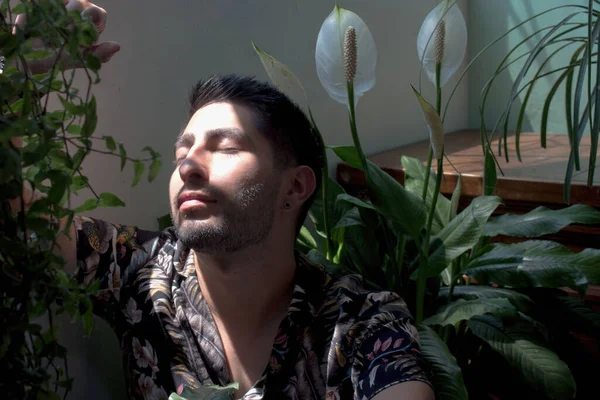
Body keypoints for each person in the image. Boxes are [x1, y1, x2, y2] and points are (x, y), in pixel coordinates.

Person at [11, 1, 435, 399]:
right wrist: (14, 77)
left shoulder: (360, 322)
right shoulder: (137, 269)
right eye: (182, 153)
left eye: (227, 147)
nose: (188, 166)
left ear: (295, 187)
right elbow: (14, 212)